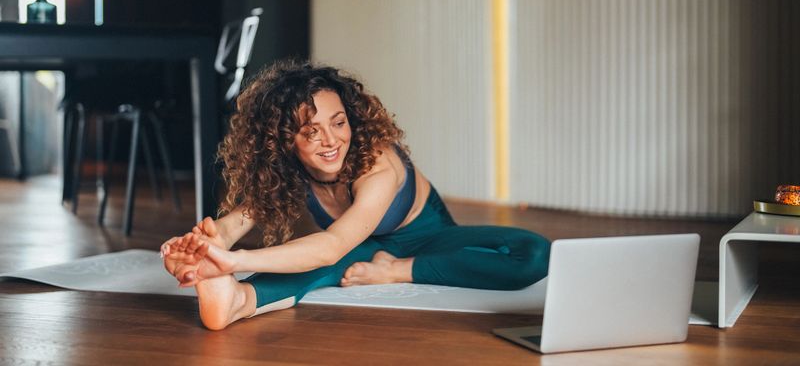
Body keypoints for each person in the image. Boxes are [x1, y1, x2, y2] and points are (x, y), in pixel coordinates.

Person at [161, 60, 550, 330]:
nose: (331, 141)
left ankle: (398, 270)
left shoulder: (377, 164)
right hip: (358, 247)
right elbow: (234, 224)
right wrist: (200, 246)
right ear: (284, 140)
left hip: (430, 240)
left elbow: (331, 245)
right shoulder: (288, 167)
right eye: (311, 131)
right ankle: (236, 301)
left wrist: (236, 259)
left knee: (536, 253)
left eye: (338, 122)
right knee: (315, 265)